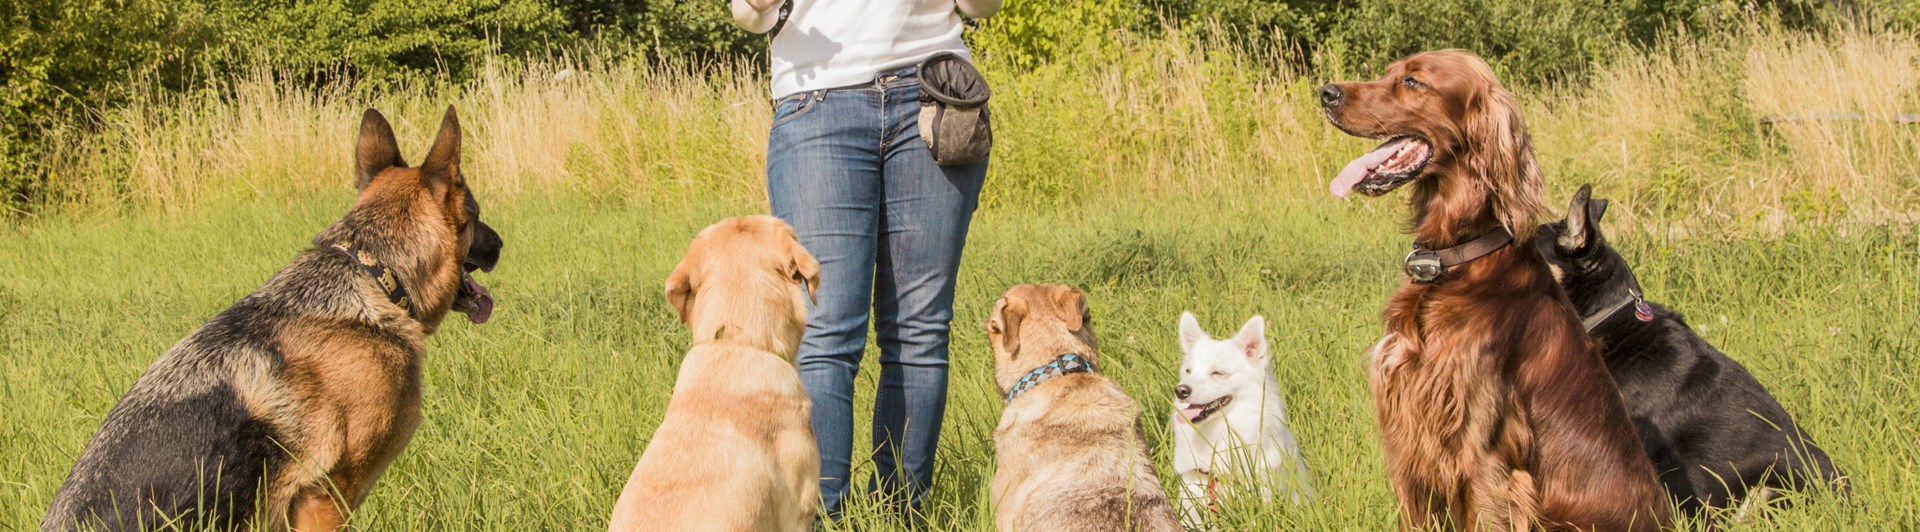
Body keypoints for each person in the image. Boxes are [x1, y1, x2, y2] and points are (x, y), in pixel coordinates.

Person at [730, 0, 1001, 522]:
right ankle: (821, 517)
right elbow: (748, 13)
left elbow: (981, 8)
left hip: (935, 94)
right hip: (818, 102)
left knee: (919, 331)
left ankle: (899, 515)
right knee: (827, 332)